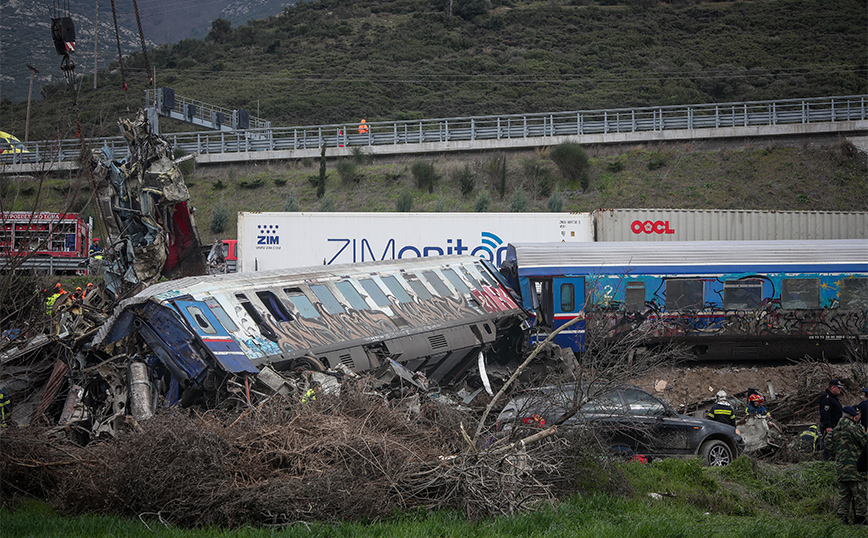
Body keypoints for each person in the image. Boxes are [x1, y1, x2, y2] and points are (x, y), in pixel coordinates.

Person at [826, 406, 868, 525]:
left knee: (844, 494)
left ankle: (842, 518)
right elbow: (865, 442)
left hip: (841, 467)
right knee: (859, 494)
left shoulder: (835, 430)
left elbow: (827, 442)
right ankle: (860, 519)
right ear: (852, 417)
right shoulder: (853, 429)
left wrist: (836, 455)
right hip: (856, 467)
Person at [821, 379, 845, 460]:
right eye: (838, 388)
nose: (840, 390)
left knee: (834, 445)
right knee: (829, 446)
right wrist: (828, 426)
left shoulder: (833, 398)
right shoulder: (827, 398)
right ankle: (827, 463)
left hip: (835, 425)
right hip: (830, 426)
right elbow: (825, 413)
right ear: (832, 388)